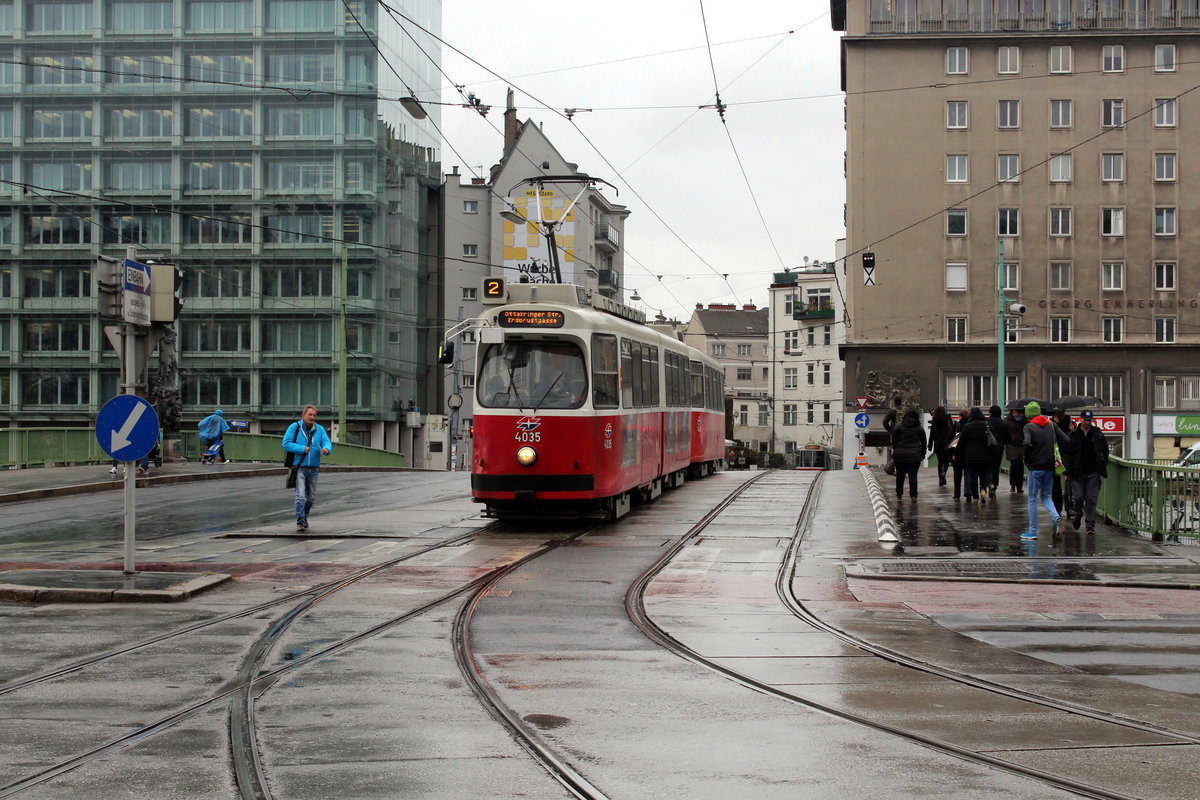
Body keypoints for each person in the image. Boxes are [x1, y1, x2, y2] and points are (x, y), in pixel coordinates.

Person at [1021, 401, 1070, 540]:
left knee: (1032, 498)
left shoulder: (1029, 427)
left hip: (1035, 467)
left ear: (1028, 416)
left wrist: (1027, 459)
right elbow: (1066, 440)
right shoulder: (1051, 425)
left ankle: (1032, 531)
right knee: (1046, 497)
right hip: (1050, 467)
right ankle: (1056, 518)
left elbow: (1026, 443)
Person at [282, 405, 333, 532]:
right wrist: (301, 449)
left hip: (313, 467)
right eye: (310, 415)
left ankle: (304, 516)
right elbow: (286, 443)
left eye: (314, 415)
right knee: (301, 496)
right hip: (299, 466)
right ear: (303, 415)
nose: (312, 417)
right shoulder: (295, 427)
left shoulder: (319, 429)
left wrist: (326, 449)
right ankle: (300, 521)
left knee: (311, 498)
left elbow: (327, 441)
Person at [1063, 410, 1110, 535]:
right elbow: (1067, 454)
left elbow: (1105, 451)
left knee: (1091, 499)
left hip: (1093, 472)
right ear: (1080, 420)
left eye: (1089, 420)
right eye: (1085, 420)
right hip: (1077, 472)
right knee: (1077, 498)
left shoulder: (1097, 434)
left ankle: (1090, 526)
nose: (1087, 422)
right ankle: (1078, 515)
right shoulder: (1072, 435)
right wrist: (1066, 471)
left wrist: (1103, 463)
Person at [957, 407, 995, 504]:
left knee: (973, 476)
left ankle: (975, 497)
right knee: (983, 474)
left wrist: (956, 453)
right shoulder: (986, 425)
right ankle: (983, 489)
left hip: (970, 456)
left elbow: (961, 442)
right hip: (985, 454)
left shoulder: (967, 426)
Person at [890, 408, 927, 501]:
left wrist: (896, 450)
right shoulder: (919, 429)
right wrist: (922, 454)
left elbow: (893, 440)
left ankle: (899, 494)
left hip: (900, 455)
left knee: (900, 476)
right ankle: (913, 496)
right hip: (914, 456)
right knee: (913, 476)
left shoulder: (898, 427)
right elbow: (923, 442)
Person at [928, 406, 955, 487]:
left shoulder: (935, 420)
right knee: (946, 460)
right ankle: (943, 473)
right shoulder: (948, 418)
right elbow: (952, 430)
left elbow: (932, 433)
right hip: (947, 443)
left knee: (940, 462)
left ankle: (940, 478)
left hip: (938, 444)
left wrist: (930, 445)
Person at [1004, 407, 1027, 493]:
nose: (1017, 412)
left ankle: (1019, 486)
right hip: (1011, 445)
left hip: (1021, 445)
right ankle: (1013, 485)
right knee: (1014, 464)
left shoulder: (1024, 420)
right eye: (1016, 410)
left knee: (1020, 466)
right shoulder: (1008, 420)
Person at [986, 405, 1008, 493]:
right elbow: (1008, 437)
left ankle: (989, 482)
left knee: (988, 467)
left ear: (991, 412)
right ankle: (995, 485)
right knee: (996, 467)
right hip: (999, 448)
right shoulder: (1003, 423)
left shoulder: (987, 422)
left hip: (989, 448)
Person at [951, 408, 968, 500]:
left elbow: (954, 440)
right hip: (967, 454)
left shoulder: (957, 425)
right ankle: (967, 492)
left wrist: (953, 453)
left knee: (957, 475)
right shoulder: (969, 425)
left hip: (957, 453)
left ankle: (957, 494)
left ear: (960, 416)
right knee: (967, 474)